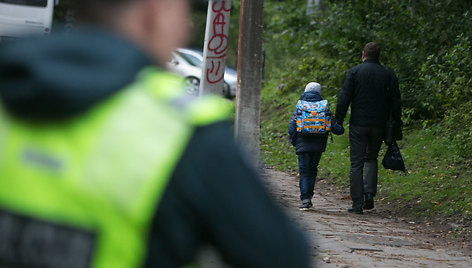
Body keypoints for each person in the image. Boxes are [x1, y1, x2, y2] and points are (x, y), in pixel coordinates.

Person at [0, 0, 311, 267]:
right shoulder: (182, 133)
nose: (185, 30)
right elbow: (285, 256)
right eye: (181, 12)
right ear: (154, 11)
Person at [334, 42, 402, 215]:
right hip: (379, 126)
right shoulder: (388, 74)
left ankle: (357, 203)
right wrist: (396, 127)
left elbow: (344, 98)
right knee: (371, 158)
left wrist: (338, 121)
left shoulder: (355, 72)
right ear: (378, 56)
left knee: (356, 163)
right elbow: (396, 103)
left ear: (363, 55)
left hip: (358, 124)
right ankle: (369, 194)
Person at [288, 82, 343, 210]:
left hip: (302, 144)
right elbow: (336, 128)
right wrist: (341, 128)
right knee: (312, 170)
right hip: (318, 145)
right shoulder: (324, 107)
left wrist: (294, 140)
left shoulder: (300, 106)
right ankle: (309, 197)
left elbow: (292, 127)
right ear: (319, 92)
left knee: (304, 171)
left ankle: (305, 199)